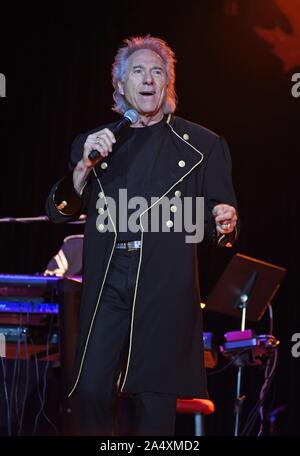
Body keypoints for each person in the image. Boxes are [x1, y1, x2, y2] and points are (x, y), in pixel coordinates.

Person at [46, 35, 238, 436]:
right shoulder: (97, 143)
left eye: (157, 71)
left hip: (164, 286)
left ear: (168, 82)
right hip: (110, 284)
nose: (148, 79)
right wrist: (83, 167)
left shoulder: (203, 145)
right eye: (138, 71)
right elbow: (59, 213)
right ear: (120, 84)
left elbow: (220, 224)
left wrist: (223, 221)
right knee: (90, 392)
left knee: (155, 402)